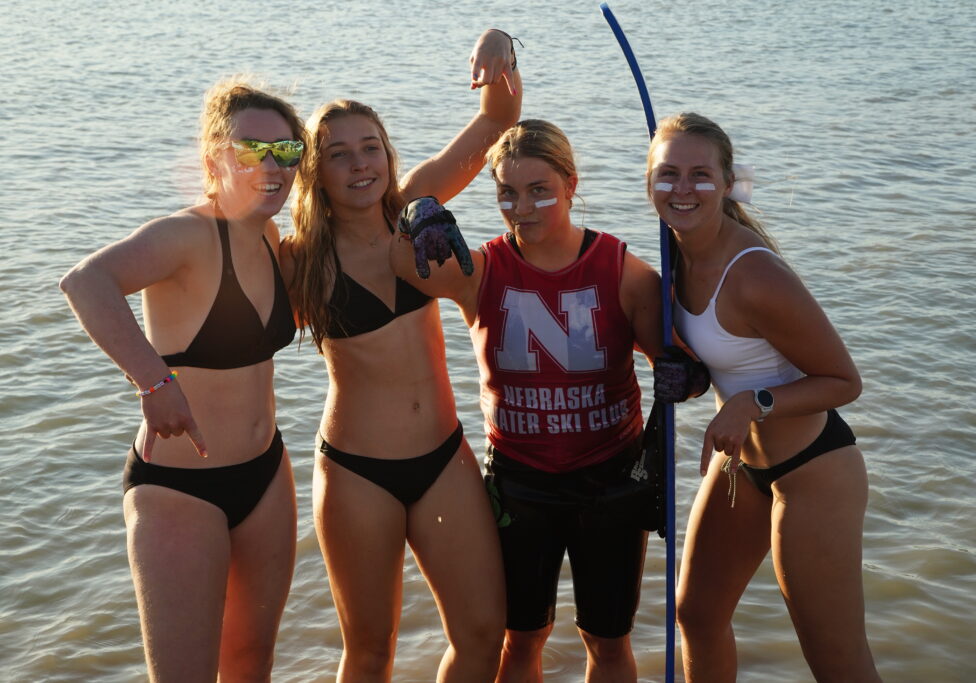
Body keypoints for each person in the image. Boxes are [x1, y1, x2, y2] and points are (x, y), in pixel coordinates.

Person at [280, 29, 521, 683]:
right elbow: (221, 275)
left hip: (443, 458)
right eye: (338, 155)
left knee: (482, 634)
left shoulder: (417, 205)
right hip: (357, 474)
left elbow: (498, 120)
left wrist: (498, 46)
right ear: (315, 173)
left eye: (370, 148)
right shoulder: (299, 259)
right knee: (369, 652)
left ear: (387, 155)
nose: (360, 165)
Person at [391, 119, 664, 683]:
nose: (522, 208)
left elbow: (679, 364)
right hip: (519, 484)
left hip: (611, 483)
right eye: (507, 194)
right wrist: (417, 212)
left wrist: (677, 393)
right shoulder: (479, 270)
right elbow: (391, 253)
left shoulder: (624, 272)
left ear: (571, 184)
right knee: (520, 640)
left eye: (540, 190)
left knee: (607, 642)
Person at [59, 80, 306, 681]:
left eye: (287, 151)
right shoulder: (186, 234)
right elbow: (87, 281)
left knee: (252, 668)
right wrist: (154, 381)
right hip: (179, 492)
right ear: (214, 157)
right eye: (251, 150)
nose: (271, 166)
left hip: (267, 476)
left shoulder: (271, 236)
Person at [648, 112, 881, 682]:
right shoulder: (674, 257)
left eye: (700, 174)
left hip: (814, 471)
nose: (683, 190)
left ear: (728, 182)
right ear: (648, 181)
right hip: (742, 467)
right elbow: (729, 356)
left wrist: (753, 403)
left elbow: (843, 381)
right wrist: (694, 377)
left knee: (837, 664)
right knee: (696, 614)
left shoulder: (754, 273)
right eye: (668, 174)